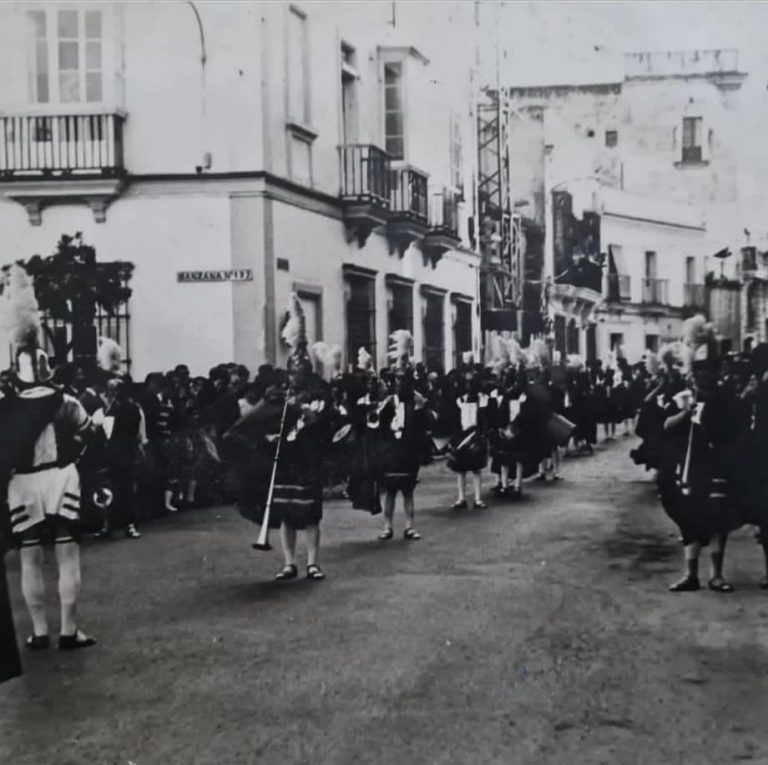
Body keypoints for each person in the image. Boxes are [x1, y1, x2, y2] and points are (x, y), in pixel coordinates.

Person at [2, 264, 98, 649]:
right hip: (61, 477)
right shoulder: (65, 401)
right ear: (46, 367)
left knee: (29, 558)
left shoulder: (6, 406)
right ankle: (70, 630)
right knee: (67, 555)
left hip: (21, 482)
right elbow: (89, 432)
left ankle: (40, 632)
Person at [447, 370, 489, 510]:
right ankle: (461, 498)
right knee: (460, 469)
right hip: (462, 435)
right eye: (467, 383)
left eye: (471, 382)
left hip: (475, 435)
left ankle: (477, 498)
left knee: (476, 469)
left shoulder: (482, 399)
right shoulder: (460, 399)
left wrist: (482, 434)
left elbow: (484, 418)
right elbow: (455, 419)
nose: (469, 385)